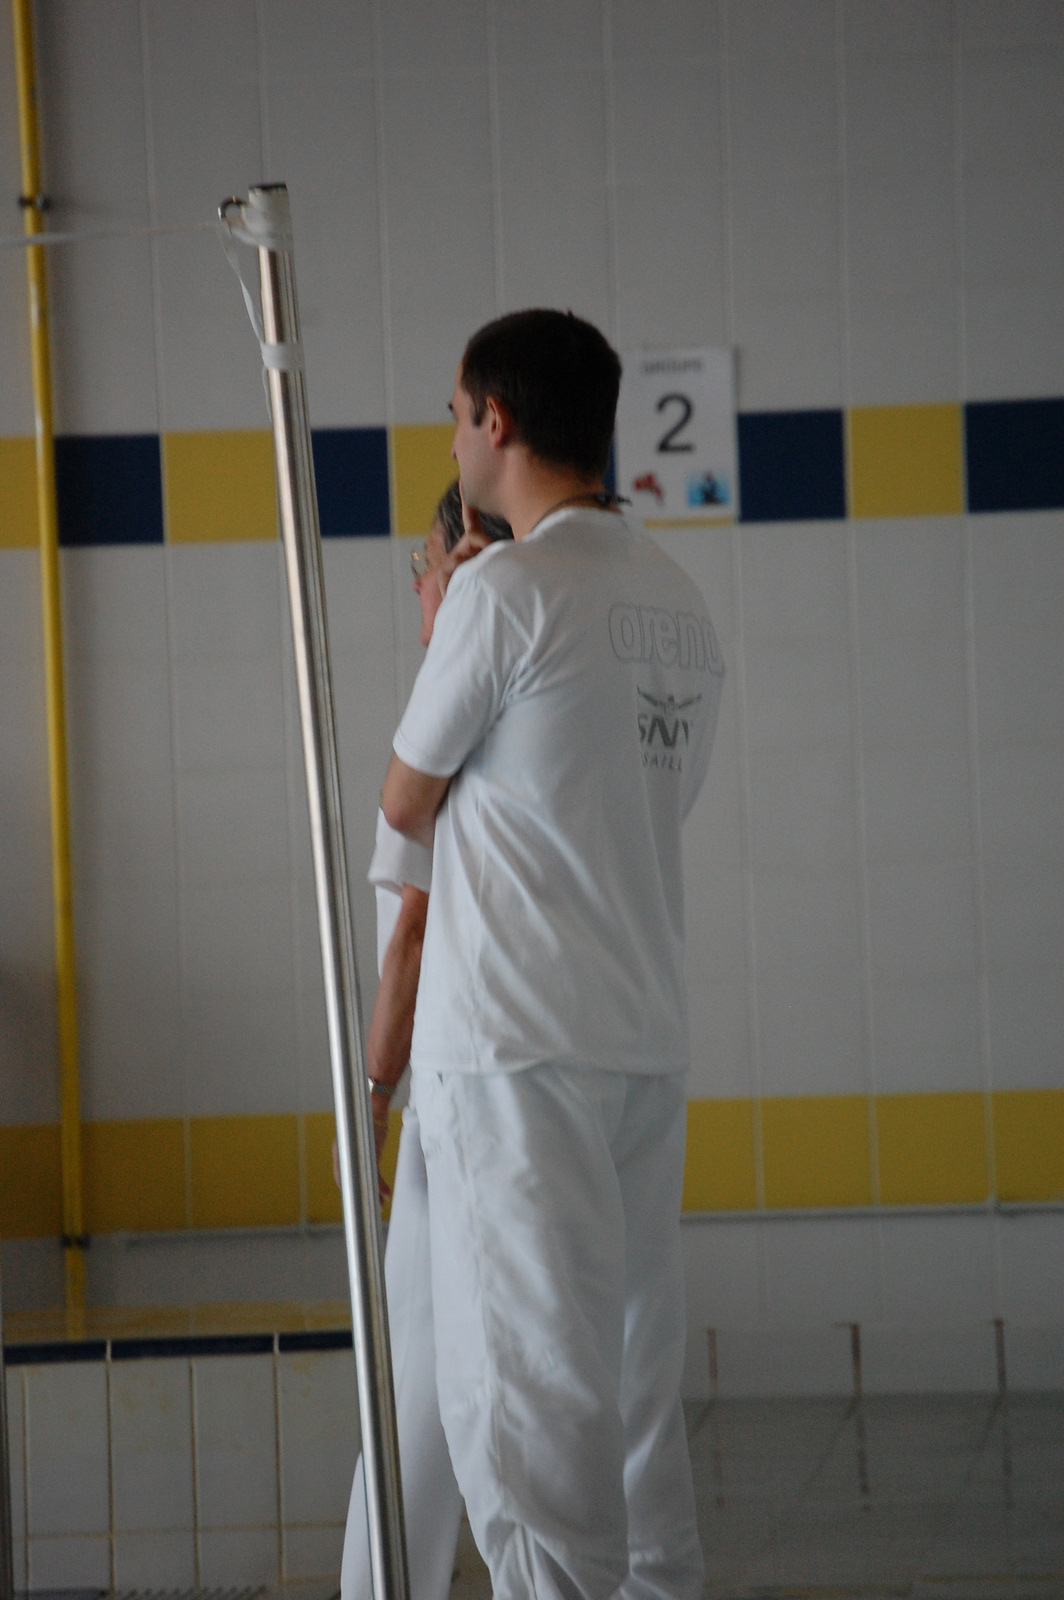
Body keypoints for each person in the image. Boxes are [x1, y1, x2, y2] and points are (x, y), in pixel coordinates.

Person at [381, 310, 725, 1600]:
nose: (452, 442)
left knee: (526, 1404)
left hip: (513, 1054)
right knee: (631, 1393)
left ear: (498, 419)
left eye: (454, 417)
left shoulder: (502, 593)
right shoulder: (676, 600)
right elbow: (642, 803)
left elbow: (405, 796)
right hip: (637, 1038)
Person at [340, 482, 511, 1600]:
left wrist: (370, 1096)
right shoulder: (513, 702)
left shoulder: (455, 714)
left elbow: (411, 925)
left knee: (415, 1407)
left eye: (424, 561)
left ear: (464, 565)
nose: (416, 583)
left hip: (449, 1096)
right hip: (483, 1086)